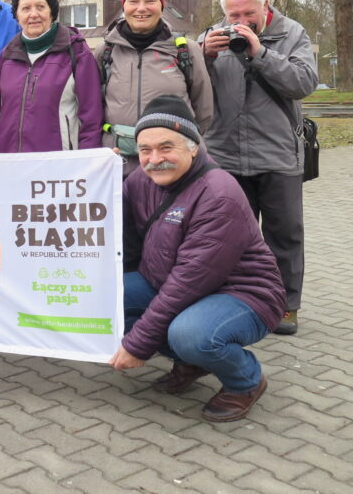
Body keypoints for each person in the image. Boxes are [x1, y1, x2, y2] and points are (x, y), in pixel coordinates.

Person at [109, 95, 285, 423]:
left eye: (166, 147)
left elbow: (188, 282)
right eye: (145, 150)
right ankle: (192, 362)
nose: (154, 159)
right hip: (170, 281)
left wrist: (138, 345)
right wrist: (102, 172)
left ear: (193, 147)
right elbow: (113, 221)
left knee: (190, 334)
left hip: (243, 294)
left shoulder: (218, 193)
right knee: (109, 298)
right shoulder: (139, 180)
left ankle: (245, 381)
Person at [199, 0, 317, 335]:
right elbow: (195, 90)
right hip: (226, 156)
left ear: (265, 7)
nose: (241, 21)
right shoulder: (214, 36)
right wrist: (202, 56)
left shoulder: (291, 33)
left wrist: (261, 53)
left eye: (249, 13)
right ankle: (241, 300)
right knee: (232, 235)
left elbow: (304, 83)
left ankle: (285, 306)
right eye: (233, 14)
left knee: (284, 234)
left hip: (277, 153)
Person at [99, 0, 212, 176]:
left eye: (150, 1)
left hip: (172, 165)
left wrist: (179, 143)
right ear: (124, 7)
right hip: (118, 162)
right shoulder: (105, 52)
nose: (141, 8)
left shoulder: (185, 50)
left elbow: (204, 109)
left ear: (161, 6)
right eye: (133, 1)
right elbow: (92, 106)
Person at [0, 0, 103, 152]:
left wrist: (87, 162)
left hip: (57, 166)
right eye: (26, 8)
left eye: (40, 7)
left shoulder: (77, 52)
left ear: (51, 12)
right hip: (9, 163)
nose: (33, 14)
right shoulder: (7, 57)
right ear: (17, 16)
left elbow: (91, 117)